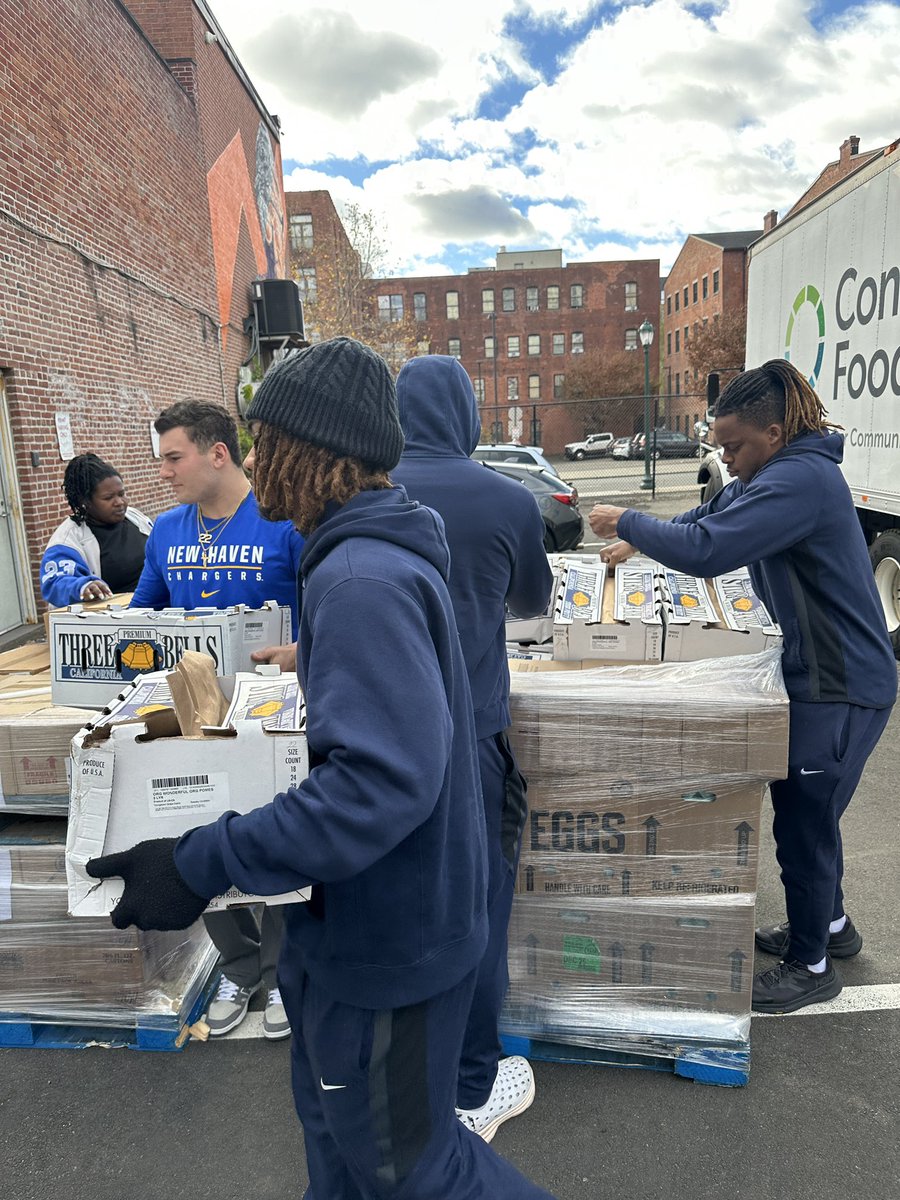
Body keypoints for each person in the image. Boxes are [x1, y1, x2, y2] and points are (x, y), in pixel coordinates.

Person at [87, 337, 556, 1200]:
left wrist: (198, 862)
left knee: (415, 1172)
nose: (255, 461)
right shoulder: (360, 557)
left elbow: (379, 784)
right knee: (342, 1158)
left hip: (389, 943)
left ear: (316, 453)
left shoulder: (362, 577)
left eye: (266, 442)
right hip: (360, 931)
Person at [589, 359, 897, 1014]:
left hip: (841, 684)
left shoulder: (800, 481)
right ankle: (833, 929)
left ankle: (812, 964)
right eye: (718, 445)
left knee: (805, 823)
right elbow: (709, 514)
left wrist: (627, 521)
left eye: (734, 446)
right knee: (811, 815)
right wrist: (640, 542)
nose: (725, 459)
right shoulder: (772, 474)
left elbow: (707, 551)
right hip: (829, 676)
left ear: (776, 433)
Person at [393, 354, 554, 1140]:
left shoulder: (364, 493)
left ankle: (403, 1068)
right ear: (469, 414)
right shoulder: (504, 497)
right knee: (479, 905)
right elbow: (533, 600)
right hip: (472, 737)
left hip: (379, 740)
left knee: (401, 902)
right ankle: (472, 1083)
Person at [131, 400, 304, 1039]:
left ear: (218, 452)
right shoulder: (167, 533)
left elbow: (324, 615)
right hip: (191, 722)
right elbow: (143, 622)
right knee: (190, 839)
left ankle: (285, 970)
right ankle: (239, 966)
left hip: (272, 721)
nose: (165, 472)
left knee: (280, 843)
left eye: (174, 458)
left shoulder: (284, 523)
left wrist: (297, 653)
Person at [41, 453, 152, 606]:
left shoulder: (136, 518)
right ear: (85, 501)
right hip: (111, 620)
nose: (119, 502)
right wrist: (82, 586)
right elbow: (55, 582)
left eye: (122, 494)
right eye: (108, 498)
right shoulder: (67, 539)